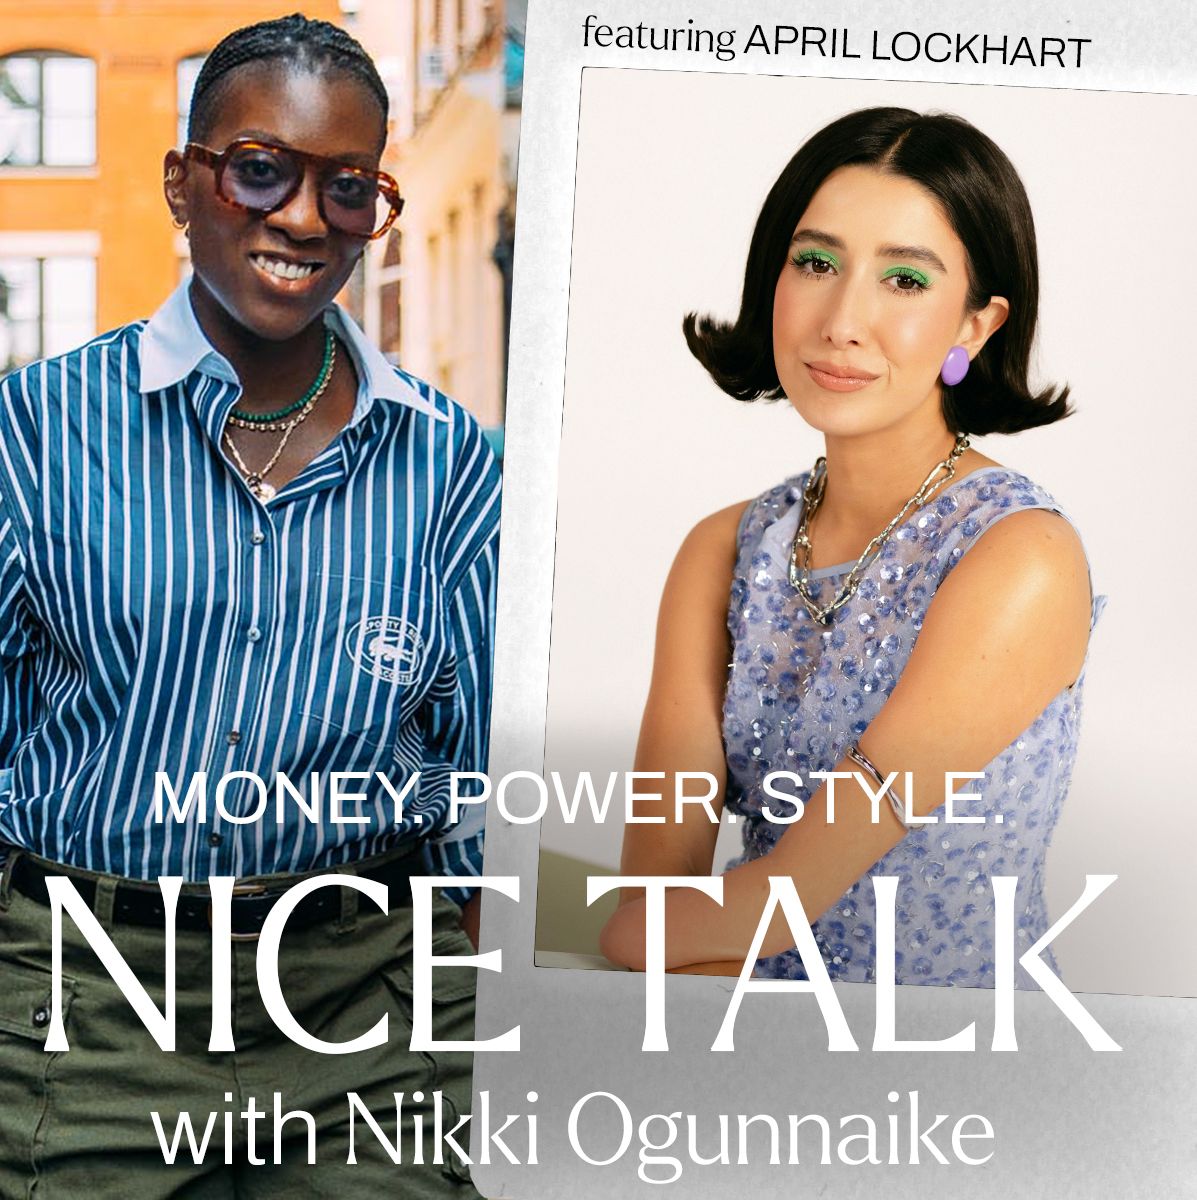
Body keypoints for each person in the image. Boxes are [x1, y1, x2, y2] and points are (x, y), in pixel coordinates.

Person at [0, 14, 498, 1196]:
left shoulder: (451, 466)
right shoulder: (36, 431)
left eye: (347, 187)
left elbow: (476, 785)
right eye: (261, 170)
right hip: (85, 1009)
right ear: (186, 183)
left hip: (364, 1016)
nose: (301, 218)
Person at [600, 107, 1099, 988]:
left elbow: (770, 905)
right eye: (816, 264)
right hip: (739, 1065)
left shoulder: (1020, 557)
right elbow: (649, 905)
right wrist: (658, 941)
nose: (841, 319)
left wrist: (658, 937)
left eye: (904, 281)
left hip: (963, 1085)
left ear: (973, 326)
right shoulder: (722, 553)